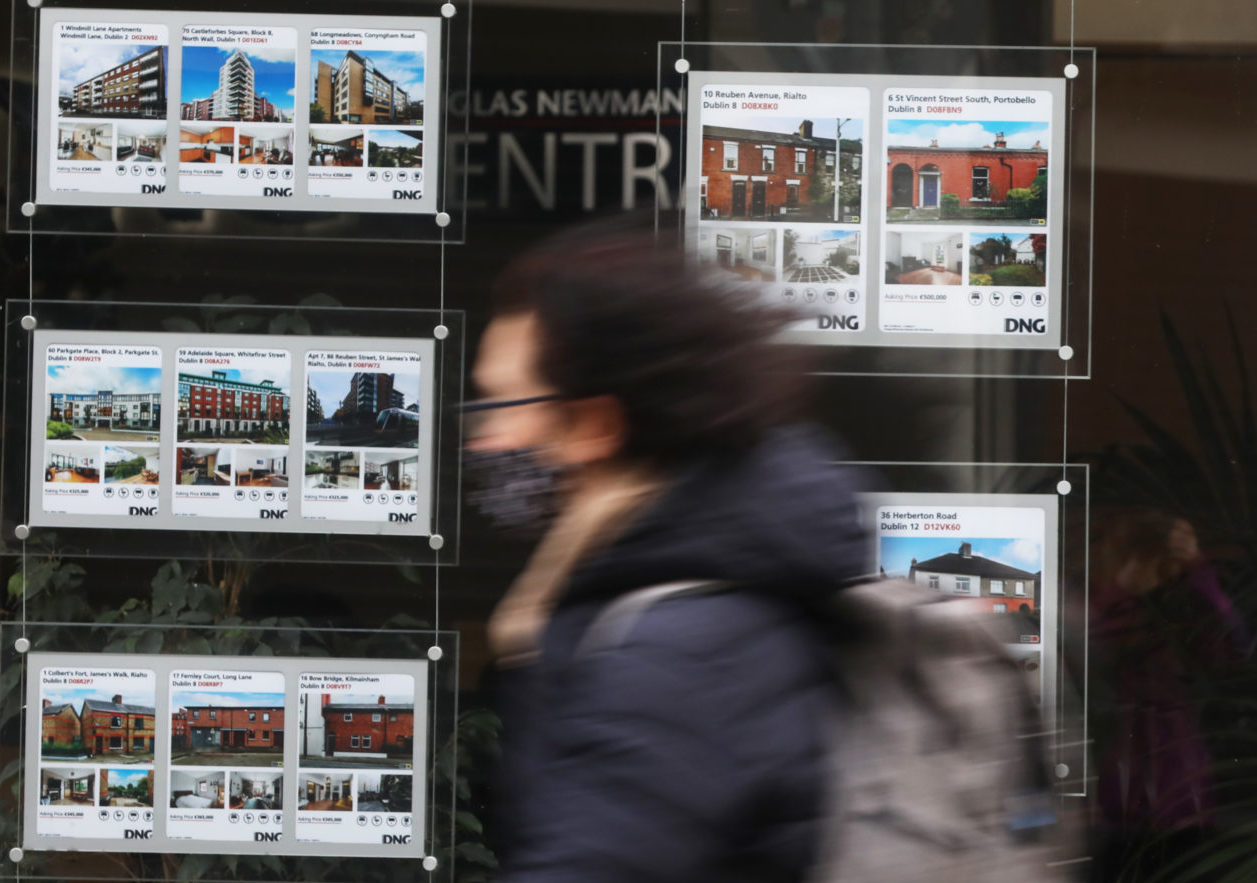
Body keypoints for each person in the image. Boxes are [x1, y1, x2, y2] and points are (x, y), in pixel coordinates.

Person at [469, 223, 870, 882]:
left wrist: (533, 644)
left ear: (595, 424)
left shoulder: (683, 650)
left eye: (503, 404)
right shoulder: (682, 593)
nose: (486, 440)